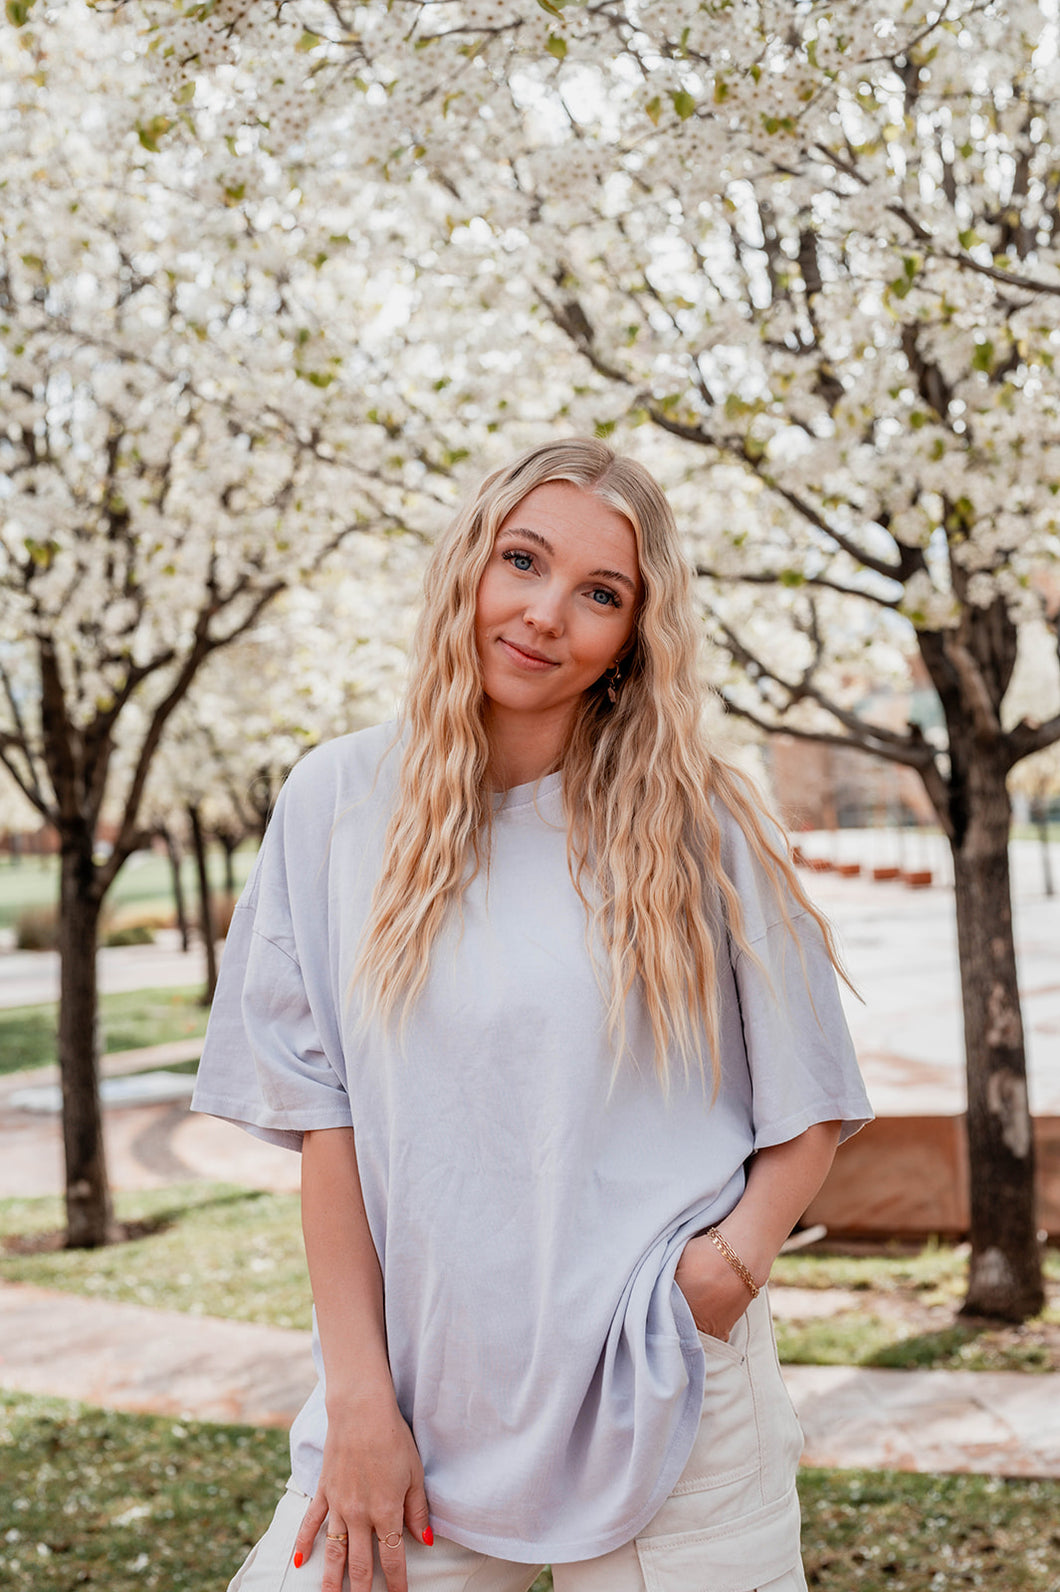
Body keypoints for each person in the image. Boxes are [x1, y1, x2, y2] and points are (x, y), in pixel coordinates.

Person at [192, 437, 873, 1592]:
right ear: (471, 563)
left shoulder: (695, 820)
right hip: (416, 1404)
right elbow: (326, 1121)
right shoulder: (336, 801)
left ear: (632, 638)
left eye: (599, 593)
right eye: (523, 560)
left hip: (663, 1380)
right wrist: (358, 1398)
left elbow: (812, 1096)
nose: (545, 612)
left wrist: (723, 1273)